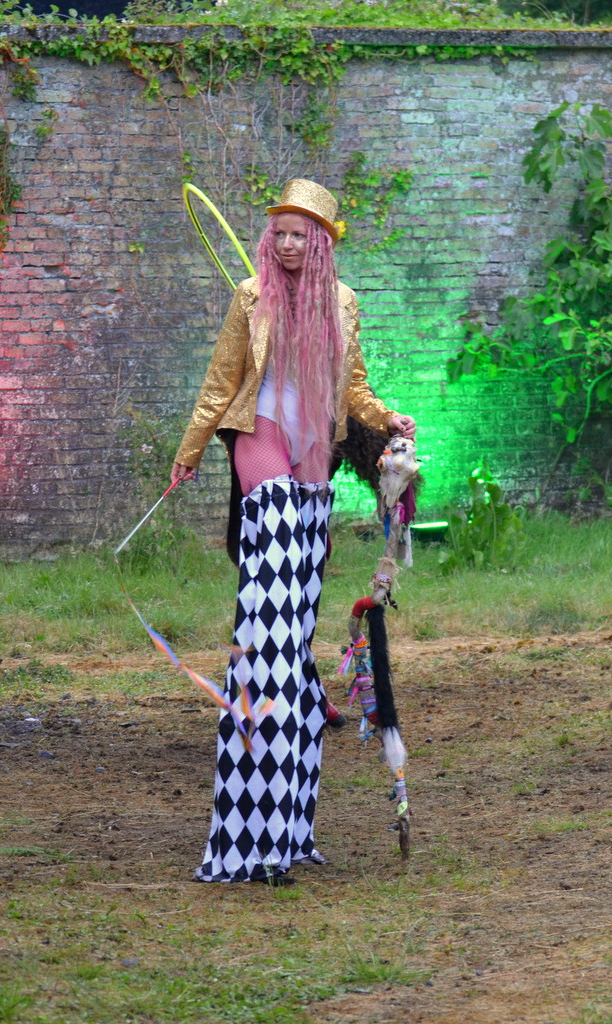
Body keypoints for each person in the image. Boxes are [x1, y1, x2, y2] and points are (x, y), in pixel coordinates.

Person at [171, 179, 416, 885]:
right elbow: (220, 384)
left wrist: (386, 418)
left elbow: (352, 387)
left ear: (322, 244)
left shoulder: (343, 303)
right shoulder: (251, 296)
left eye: (297, 235)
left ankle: (289, 826)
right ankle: (251, 831)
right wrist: (189, 454)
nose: (284, 243)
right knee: (272, 624)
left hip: (314, 447)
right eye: (277, 231)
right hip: (261, 435)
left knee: (295, 622)